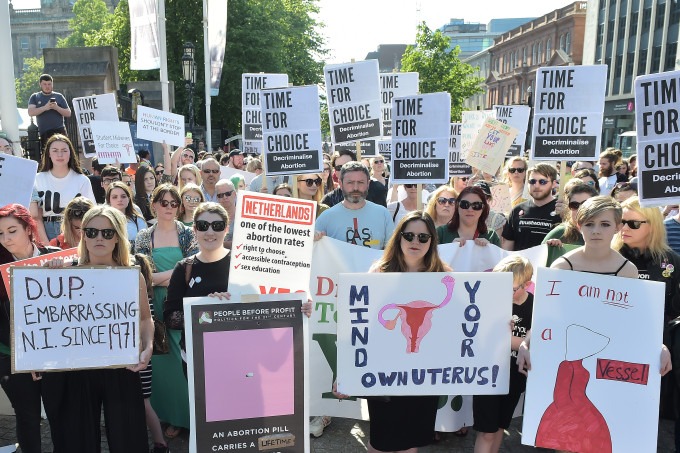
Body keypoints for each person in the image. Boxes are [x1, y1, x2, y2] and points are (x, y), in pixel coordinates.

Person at [517, 196, 672, 451]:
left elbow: (635, 321)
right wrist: (527, 342)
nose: (596, 231)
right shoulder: (562, 266)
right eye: (589, 224)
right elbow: (547, 315)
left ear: (617, 227)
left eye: (604, 224)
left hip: (605, 363)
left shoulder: (626, 270)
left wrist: (659, 346)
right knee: (565, 440)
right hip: (567, 356)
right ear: (579, 226)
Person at [334, 210, 451, 452]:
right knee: (381, 443)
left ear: (432, 241)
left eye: (423, 237)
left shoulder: (444, 277)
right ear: (399, 238)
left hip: (423, 374)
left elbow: (458, 324)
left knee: (411, 443)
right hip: (383, 372)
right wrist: (345, 370)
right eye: (409, 236)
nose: (415, 242)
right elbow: (359, 324)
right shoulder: (379, 272)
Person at [42, 205, 154, 452]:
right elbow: (46, 321)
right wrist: (49, 277)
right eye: (91, 232)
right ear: (82, 235)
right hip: (76, 368)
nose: (99, 238)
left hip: (121, 364)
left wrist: (147, 348)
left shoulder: (131, 275)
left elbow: (145, 319)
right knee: (77, 439)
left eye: (107, 232)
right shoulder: (64, 273)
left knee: (129, 437)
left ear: (117, 237)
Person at [613, 197, 680, 450]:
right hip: (612, 346)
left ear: (652, 225)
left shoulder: (671, 261)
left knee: (642, 417)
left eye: (633, 223)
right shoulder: (609, 256)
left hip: (653, 349)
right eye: (622, 222)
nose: (624, 228)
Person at [135, 184, 197, 439]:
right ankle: (167, 416)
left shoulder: (189, 233)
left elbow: (192, 269)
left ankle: (189, 418)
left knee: (183, 361)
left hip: (179, 305)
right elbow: (141, 275)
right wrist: (172, 276)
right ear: (155, 205)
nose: (169, 207)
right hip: (152, 305)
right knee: (161, 365)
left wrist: (158, 278)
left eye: (174, 203)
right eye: (164, 202)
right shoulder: (142, 236)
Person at [0, 204, 61, 453]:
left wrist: (64, 272)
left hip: (56, 353)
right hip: (11, 355)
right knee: (27, 415)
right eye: (0, 234)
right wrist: (27, 356)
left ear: (29, 228)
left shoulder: (56, 256)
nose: (6, 239)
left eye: (12, 230)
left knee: (60, 413)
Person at [473, 256, 533, 453]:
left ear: (527, 284)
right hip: (488, 375)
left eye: (513, 289)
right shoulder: (489, 301)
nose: (506, 293)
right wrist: (518, 341)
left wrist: (506, 338)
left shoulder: (537, 305)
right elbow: (478, 338)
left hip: (514, 377)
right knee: (486, 432)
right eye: (501, 286)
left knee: (500, 427)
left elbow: (539, 343)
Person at [315, 162, 394, 250]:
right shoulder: (326, 218)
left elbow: (391, 252)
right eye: (350, 183)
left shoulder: (383, 214)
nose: (355, 188)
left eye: (360, 182)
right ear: (340, 184)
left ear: (368, 184)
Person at [33, 134, 96, 241]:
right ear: (48, 153)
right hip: (45, 230)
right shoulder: (37, 179)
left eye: (64, 150)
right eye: (55, 150)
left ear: (70, 153)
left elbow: (91, 212)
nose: (60, 154)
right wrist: (46, 244)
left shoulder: (82, 180)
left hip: (74, 230)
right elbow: (35, 217)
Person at [501, 163, 561, 251]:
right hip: (521, 263)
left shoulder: (562, 210)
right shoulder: (517, 210)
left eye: (542, 182)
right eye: (532, 181)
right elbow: (507, 245)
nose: (536, 186)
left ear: (553, 184)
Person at [322, 152, 388, 207]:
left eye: (349, 166)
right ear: (335, 172)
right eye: (339, 167)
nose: (344, 170)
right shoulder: (329, 200)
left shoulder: (377, 189)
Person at [27, 74, 71, 142]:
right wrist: (45, 108)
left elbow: (68, 113)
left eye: (49, 84)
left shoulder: (59, 96)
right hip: (45, 132)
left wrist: (56, 108)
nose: (47, 86)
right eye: (44, 84)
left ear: (52, 84)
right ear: (40, 84)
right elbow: (30, 112)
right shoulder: (35, 96)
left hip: (60, 130)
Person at [106, 181, 147, 250]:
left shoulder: (138, 220)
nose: (119, 200)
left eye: (123, 196)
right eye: (115, 197)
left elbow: (144, 244)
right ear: (109, 200)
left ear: (128, 199)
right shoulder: (104, 220)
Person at [215, 180, 237, 248]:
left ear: (234, 194)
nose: (224, 197)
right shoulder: (212, 218)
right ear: (217, 198)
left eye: (228, 193)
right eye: (220, 195)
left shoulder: (244, 216)